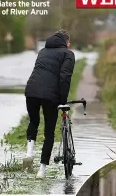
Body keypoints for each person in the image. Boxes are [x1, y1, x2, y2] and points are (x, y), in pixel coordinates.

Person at [23, 29, 75, 178]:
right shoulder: (68, 54)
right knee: (49, 132)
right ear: (67, 43)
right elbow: (65, 78)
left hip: (31, 90)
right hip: (50, 95)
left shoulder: (42, 51)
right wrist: (62, 101)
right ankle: (42, 170)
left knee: (33, 122)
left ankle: (29, 153)